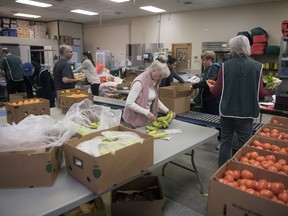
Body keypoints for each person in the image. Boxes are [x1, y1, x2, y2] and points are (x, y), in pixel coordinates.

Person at [206, 35, 271, 167]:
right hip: (246, 113)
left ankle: (223, 172)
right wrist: (271, 89)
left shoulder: (225, 66)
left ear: (233, 49)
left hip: (227, 112)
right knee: (245, 144)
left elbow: (216, 91)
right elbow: (261, 93)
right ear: (247, 47)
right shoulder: (258, 67)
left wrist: (210, 86)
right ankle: (242, 173)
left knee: (225, 142)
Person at [122, 59, 175, 128]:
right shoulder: (140, 82)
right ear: (153, 70)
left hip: (144, 120)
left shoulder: (155, 82)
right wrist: (147, 113)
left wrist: (167, 111)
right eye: (160, 75)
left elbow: (155, 100)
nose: (160, 78)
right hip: (132, 121)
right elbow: (129, 103)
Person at [191, 51, 220, 115]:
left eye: (204, 60)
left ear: (209, 60)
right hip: (206, 99)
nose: (202, 62)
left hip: (211, 100)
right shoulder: (207, 69)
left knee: (210, 119)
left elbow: (209, 82)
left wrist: (195, 85)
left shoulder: (214, 68)